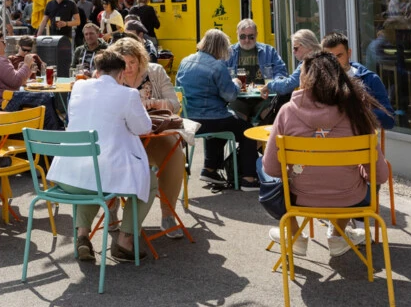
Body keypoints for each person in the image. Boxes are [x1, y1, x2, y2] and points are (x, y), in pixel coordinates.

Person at [261, 51, 389, 257]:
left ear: (305, 78)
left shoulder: (287, 112)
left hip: (300, 198)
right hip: (350, 198)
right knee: (367, 173)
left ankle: (294, 234)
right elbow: (379, 176)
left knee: (262, 166)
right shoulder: (358, 112)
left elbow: (271, 169)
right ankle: (338, 235)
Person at [47, 50, 157, 263]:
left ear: (96, 72)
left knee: (92, 176)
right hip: (97, 178)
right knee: (148, 180)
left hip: (65, 176)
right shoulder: (128, 94)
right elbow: (143, 127)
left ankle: (82, 236)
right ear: (121, 75)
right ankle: (125, 241)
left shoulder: (78, 87)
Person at [110, 35, 185, 238]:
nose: (128, 68)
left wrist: (156, 103)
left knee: (175, 154)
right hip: (123, 137)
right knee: (105, 154)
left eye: (132, 62)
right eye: (123, 63)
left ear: (141, 59)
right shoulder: (111, 76)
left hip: (154, 133)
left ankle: (168, 214)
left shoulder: (156, 72)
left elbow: (175, 104)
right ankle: (110, 208)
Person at [176, 28, 259, 189]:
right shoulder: (217, 66)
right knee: (247, 131)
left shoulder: (185, 61)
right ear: (221, 47)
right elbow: (230, 96)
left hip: (188, 118)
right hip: (210, 118)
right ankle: (249, 178)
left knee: (223, 122)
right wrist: (237, 83)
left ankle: (209, 169)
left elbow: (179, 88)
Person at [321, 32, 395, 130]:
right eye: (330, 58)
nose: (335, 62)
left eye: (339, 56)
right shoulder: (318, 81)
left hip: (360, 141)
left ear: (349, 53)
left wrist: (358, 110)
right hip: (326, 142)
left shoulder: (370, 79)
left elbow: (389, 121)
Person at [260, 29, 321, 98]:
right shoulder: (322, 58)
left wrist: (269, 85)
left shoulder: (308, 63)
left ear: (308, 46)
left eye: (295, 48)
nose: (293, 52)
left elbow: (288, 85)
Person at [226, 18, 287, 85]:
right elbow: (221, 76)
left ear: (256, 34)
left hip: (265, 93)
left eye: (251, 37)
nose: (247, 40)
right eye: (243, 36)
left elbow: (281, 72)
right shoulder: (228, 53)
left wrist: (274, 84)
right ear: (237, 35)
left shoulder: (269, 51)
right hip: (237, 94)